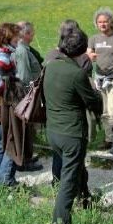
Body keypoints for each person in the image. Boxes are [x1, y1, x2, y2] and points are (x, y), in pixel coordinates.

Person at [44, 25, 102, 224]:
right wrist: (97, 93)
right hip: (72, 133)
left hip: (53, 131)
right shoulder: (77, 74)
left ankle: (86, 198)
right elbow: (93, 103)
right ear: (81, 50)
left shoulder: (50, 66)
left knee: (76, 169)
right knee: (68, 180)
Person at [45, 20, 95, 184]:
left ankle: (57, 181)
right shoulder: (82, 61)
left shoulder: (51, 57)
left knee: (59, 154)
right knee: (74, 160)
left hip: (53, 117)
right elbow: (89, 96)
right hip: (73, 119)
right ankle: (74, 193)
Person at [87, 7, 113, 150]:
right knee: (104, 111)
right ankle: (109, 139)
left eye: (105, 21)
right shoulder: (93, 39)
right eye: (100, 22)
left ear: (111, 22)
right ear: (96, 24)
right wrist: (90, 56)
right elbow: (88, 54)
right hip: (99, 79)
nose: (103, 24)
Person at [0, 23, 21, 187]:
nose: (18, 39)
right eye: (16, 37)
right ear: (8, 38)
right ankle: (6, 180)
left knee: (0, 142)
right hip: (3, 106)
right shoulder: (3, 55)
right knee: (9, 141)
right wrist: (9, 92)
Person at [14, 21, 43, 172]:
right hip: (27, 95)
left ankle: (27, 156)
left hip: (28, 94)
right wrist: (31, 96)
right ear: (26, 35)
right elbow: (24, 76)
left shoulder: (24, 49)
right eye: (31, 33)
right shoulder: (23, 51)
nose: (33, 35)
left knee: (28, 128)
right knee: (26, 128)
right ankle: (24, 160)